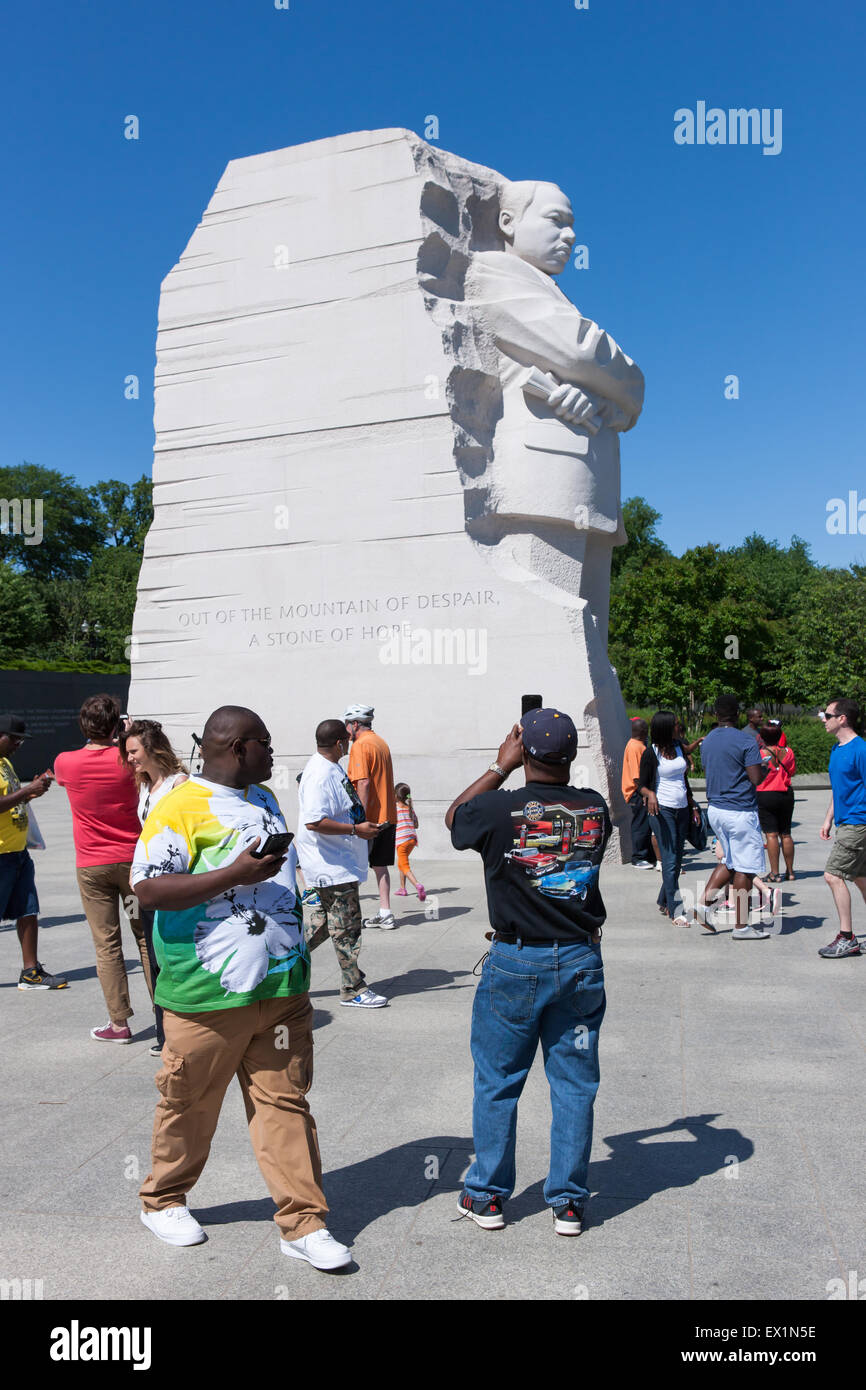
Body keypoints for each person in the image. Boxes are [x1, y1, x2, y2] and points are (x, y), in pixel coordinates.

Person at [132, 704, 350, 1269]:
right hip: (205, 996)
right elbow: (149, 892)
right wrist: (233, 875)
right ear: (235, 747)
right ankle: (162, 1200)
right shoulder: (178, 808)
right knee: (190, 1104)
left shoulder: (264, 799)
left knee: (285, 1102)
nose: (273, 754)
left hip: (279, 990)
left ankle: (303, 1222)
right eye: (265, 744)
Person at [446, 708, 611, 1236]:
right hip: (580, 960)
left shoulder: (498, 809)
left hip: (517, 960)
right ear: (571, 755)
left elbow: (455, 817)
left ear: (526, 754)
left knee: (498, 1081)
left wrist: (500, 766)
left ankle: (488, 1196)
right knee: (574, 1084)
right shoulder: (596, 808)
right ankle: (567, 1203)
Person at [54, 695, 153, 1040]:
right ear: (117, 724)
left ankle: (119, 1023)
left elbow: (65, 784)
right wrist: (127, 736)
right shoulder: (128, 759)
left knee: (107, 944)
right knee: (145, 937)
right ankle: (164, 1014)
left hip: (93, 866)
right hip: (131, 862)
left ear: (83, 725)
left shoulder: (66, 762)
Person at [294, 719, 387, 1008]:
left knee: (322, 925)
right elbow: (314, 821)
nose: (349, 743)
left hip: (337, 864)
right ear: (338, 743)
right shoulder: (319, 775)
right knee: (347, 929)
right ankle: (353, 988)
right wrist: (355, 830)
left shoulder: (329, 767)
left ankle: (279, 966)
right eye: (347, 740)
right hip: (331, 867)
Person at [118, 720, 188, 1055]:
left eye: (134, 751)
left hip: (171, 882)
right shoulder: (145, 785)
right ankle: (165, 1033)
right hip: (146, 882)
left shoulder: (180, 784)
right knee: (155, 957)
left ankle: (180, 1031)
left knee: (171, 953)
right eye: (127, 752)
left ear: (152, 748)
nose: (129, 758)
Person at [0, 715, 67, 990]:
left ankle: (31, 972)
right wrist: (27, 790)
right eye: (13, 738)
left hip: (17, 853)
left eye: (21, 740)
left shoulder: (4, 763)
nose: (18, 744)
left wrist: (32, 790)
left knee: (28, 911)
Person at [693, 695, 769, 940]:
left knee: (731, 861)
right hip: (740, 810)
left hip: (715, 809)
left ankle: (703, 906)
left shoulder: (708, 740)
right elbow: (756, 778)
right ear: (738, 714)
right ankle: (741, 927)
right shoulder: (745, 741)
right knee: (745, 869)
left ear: (716, 714)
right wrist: (765, 766)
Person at [638, 712, 700, 927]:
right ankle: (676, 909)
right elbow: (641, 786)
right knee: (671, 859)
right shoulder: (651, 753)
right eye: (675, 724)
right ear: (665, 728)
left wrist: (692, 804)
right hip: (661, 809)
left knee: (677, 859)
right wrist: (651, 794)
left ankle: (664, 899)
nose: (678, 727)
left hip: (682, 808)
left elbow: (684, 779)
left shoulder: (679, 747)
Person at [817, 697, 866, 959]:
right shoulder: (837, 750)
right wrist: (827, 819)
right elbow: (840, 790)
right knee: (861, 878)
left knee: (833, 875)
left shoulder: (861, 750)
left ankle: (847, 938)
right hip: (846, 821)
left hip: (858, 824)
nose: (822, 719)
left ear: (842, 718)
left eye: (827, 714)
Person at [344, 703, 398, 929]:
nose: (346, 730)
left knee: (351, 866)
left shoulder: (360, 745)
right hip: (388, 816)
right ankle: (386, 913)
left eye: (347, 725)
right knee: (380, 866)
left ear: (355, 724)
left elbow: (363, 782)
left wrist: (359, 818)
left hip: (370, 819)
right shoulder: (381, 743)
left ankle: (348, 917)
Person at [756, 723, 796, 882]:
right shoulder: (789, 752)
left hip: (766, 794)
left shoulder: (759, 754)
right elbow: (792, 771)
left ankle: (775, 873)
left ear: (762, 737)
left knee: (771, 834)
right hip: (786, 793)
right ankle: (791, 871)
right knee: (786, 833)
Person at [621, 718, 655, 868]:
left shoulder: (637, 745)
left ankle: (648, 855)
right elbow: (637, 776)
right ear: (642, 732)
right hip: (637, 792)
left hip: (640, 792)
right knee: (640, 825)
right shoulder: (635, 747)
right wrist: (645, 793)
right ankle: (638, 857)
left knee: (646, 825)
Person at [394, 782, 426, 900]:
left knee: (405, 865)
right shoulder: (410, 808)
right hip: (412, 840)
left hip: (402, 841)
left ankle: (418, 885)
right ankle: (402, 888)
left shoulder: (395, 808)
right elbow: (416, 824)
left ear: (396, 796)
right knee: (401, 863)